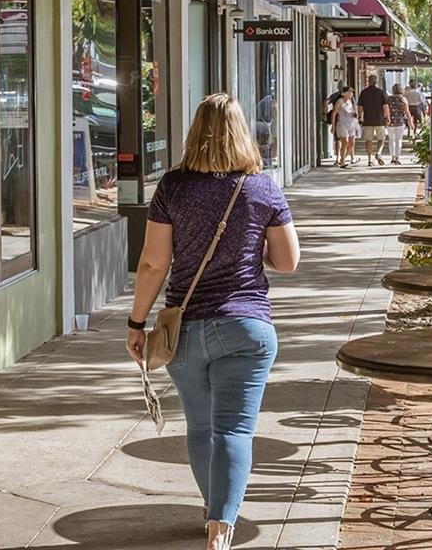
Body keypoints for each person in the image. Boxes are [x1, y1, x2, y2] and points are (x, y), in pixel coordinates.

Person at [126, 93, 301, 550]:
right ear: (243, 132)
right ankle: (221, 528)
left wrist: (136, 323)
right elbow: (288, 261)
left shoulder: (172, 187)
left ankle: (213, 507)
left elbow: (153, 264)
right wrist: (252, 252)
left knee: (202, 428)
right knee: (235, 430)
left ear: (195, 132)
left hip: (184, 331)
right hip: (247, 327)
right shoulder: (262, 188)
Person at [357, 74, 389, 166]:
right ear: (376, 82)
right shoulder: (381, 92)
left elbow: (360, 106)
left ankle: (370, 159)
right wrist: (387, 117)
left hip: (367, 120)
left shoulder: (364, 92)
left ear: (368, 82)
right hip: (379, 120)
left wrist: (360, 117)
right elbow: (385, 106)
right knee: (381, 139)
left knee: (369, 140)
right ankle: (378, 153)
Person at [332, 87, 360, 167]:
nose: (351, 94)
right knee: (345, 142)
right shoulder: (339, 102)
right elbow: (334, 114)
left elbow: (352, 111)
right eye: (350, 92)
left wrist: (355, 114)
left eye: (352, 92)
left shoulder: (350, 101)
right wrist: (333, 126)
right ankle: (342, 162)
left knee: (352, 143)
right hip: (342, 124)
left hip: (351, 124)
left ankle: (343, 158)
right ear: (344, 93)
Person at [386, 83, 411, 164]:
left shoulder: (388, 99)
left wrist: (387, 119)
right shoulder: (404, 99)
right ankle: (397, 157)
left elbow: (386, 110)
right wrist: (410, 122)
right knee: (398, 140)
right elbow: (407, 112)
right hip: (400, 122)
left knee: (391, 140)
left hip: (390, 122)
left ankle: (392, 157)